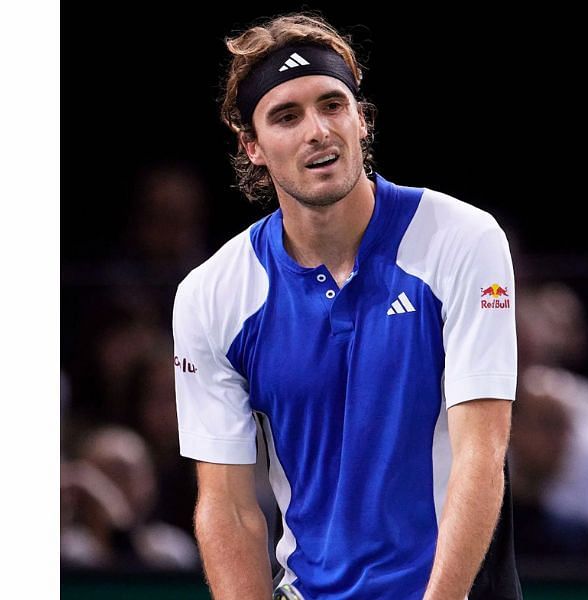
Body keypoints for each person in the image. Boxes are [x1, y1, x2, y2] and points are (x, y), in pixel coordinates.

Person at [172, 13, 520, 600]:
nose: (318, 131)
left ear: (362, 118)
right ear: (252, 147)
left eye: (332, 105)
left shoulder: (463, 237)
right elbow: (227, 507)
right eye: (286, 116)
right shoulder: (211, 294)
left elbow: (480, 454)